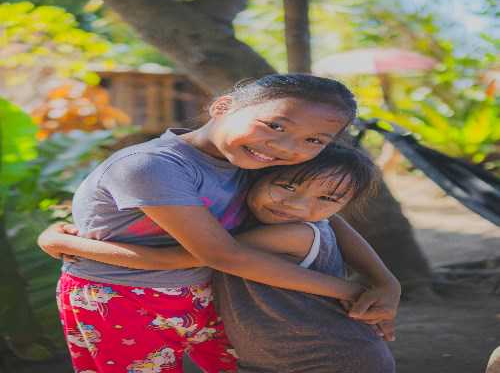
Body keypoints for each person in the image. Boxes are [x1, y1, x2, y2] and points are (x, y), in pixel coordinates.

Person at [38, 74, 400, 372]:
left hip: (209, 293)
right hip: (121, 297)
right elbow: (221, 254)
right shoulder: (152, 166)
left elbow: (327, 219)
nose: (287, 147)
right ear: (223, 107)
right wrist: (354, 292)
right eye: (275, 125)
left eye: (314, 140)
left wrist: (385, 281)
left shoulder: (257, 160)